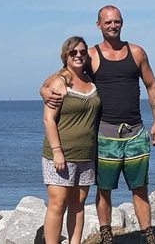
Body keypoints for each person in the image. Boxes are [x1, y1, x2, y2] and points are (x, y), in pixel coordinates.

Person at [41, 5, 155, 244]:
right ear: (99, 25)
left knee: (140, 187)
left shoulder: (137, 52)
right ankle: (106, 235)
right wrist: (43, 89)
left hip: (135, 131)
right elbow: (62, 74)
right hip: (105, 134)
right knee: (104, 188)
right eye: (107, 22)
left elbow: (151, 86)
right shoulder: (91, 55)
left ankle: (148, 235)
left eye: (117, 21)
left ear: (122, 23)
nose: (113, 25)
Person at [41, 36, 101, 244]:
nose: (78, 56)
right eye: (73, 52)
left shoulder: (90, 80)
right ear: (65, 56)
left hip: (86, 155)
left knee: (79, 203)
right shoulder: (59, 82)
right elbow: (48, 119)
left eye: (82, 52)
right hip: (60, 155)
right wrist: (57, 151)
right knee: (57, 203)